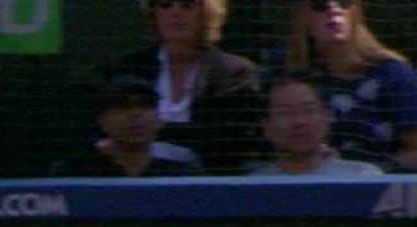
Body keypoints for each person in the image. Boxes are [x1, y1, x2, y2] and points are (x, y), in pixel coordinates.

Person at [101, 0, 263, 175]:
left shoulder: (234, 72)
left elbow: (224, 140)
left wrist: (145, 135)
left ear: (206, 13)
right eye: (165, 5)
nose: (176, 13)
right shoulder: (130, 67)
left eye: (187, 5)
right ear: (154, 14)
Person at [283, 0, 417, 172]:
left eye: (344, 3)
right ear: (304, 18)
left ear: (356, 13)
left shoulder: (393, 74)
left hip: (379, 184)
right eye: (320, 5)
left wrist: (369, 169)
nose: (334, 10)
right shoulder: (292, 78)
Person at [52, 76, 207, 177]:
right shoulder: (74, 174)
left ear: (159, 120)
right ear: (103, 122)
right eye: (123, 106)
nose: (136, 114)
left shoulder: (182, 173)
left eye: (145, 105)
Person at [252, 70, 383, 175]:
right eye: (285, 113)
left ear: (327, 117)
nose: (299, 122)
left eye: (308, 110)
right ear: (267, 126)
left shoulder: (363, 176)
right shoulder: (254, 186)